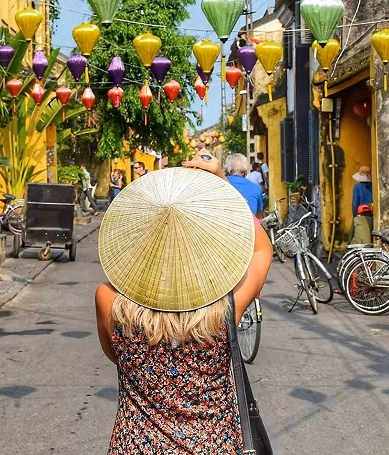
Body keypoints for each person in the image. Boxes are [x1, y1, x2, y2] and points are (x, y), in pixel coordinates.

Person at [95, 152, 273, 453]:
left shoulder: (108, 299)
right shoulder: (224, 309)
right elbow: (260, 250)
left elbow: (115, 356)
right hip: (215, 446)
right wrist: (221, 183)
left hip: (136, 446)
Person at [351, 166, 374, 245]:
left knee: (360, 240)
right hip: (372, 215)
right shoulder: (373, 186)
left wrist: (355, 216)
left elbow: (354, 204)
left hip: (361, 216)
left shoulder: (357, 187)